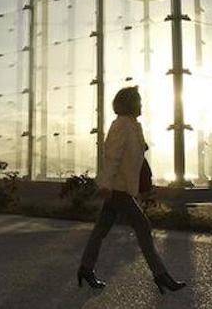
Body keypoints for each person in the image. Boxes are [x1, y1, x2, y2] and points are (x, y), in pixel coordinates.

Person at [77, 86, 186, 295]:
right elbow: (112, 158)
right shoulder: (121, 126)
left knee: (101, 230)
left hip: (121, 188)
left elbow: (132, 154)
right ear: (130, 104)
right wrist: (106, 184)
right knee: (143, 227)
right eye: (138, 101)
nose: (141, 105)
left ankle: (85, 269)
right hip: (118, 189)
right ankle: (161, 275)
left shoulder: (133, 126)